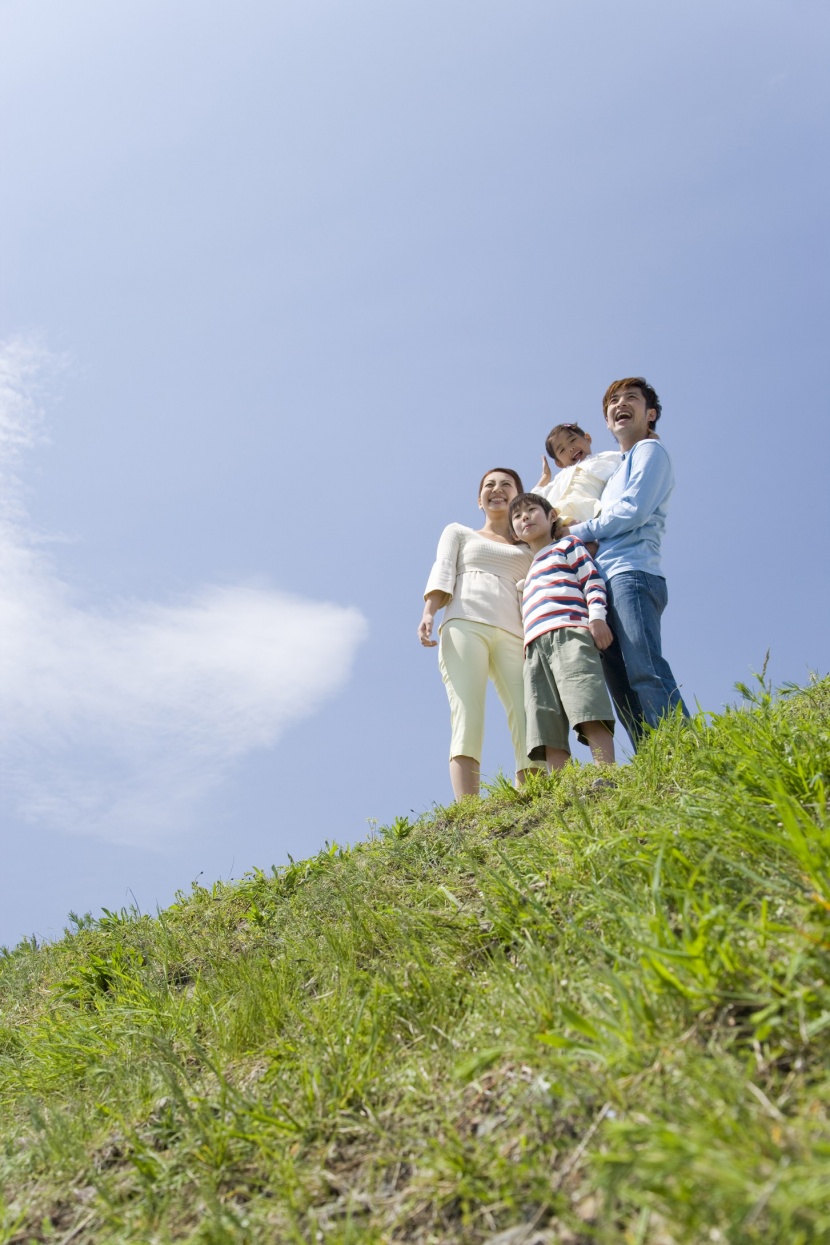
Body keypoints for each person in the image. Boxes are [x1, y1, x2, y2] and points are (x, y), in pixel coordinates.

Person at [563, 378, 689, 746]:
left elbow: (632, 511)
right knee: (620, 684)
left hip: (632, 573)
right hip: (601, 586)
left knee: (644, 671)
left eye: (630, 398)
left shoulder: (650, 451)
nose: (620, 404)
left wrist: (577, 531)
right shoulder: (613, 471)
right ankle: (653, 762)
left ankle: (685, 752)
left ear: (650, 414)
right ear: (606, 422)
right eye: (612, 401)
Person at [419, 469, 536, 800]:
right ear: (479, 499)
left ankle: (530, 795)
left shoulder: (529, 549)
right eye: (489, 485)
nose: (497, 490)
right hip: (465, 624)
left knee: (529, 711)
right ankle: (469, 808)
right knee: (468, 712)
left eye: (506, 485)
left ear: (518, 497)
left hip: (516, 634)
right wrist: (429, 611)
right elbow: (443, 568)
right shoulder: (459, 532)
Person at [509, 492, 615, 771]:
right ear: (515, 532)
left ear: (552, 516)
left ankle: (607, 771)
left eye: (532, 510)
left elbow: (592, 581)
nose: (525, 518)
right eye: (518, 517)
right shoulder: (527, 575)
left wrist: (597, 618)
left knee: (586, 700)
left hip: (569, 632)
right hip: (534, 647)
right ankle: (564, 789)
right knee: (545, 719)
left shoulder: (568, 545)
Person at [531, 422, 622, 526]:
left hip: (586, 516)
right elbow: (535, 498)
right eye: (562, 450)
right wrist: (545, 476)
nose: (571, 448)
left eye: (572, 440)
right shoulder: (560, 477)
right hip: (556, 520)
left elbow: (631, 459)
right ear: (559, 463)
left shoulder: (605, 457)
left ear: (587, 438)